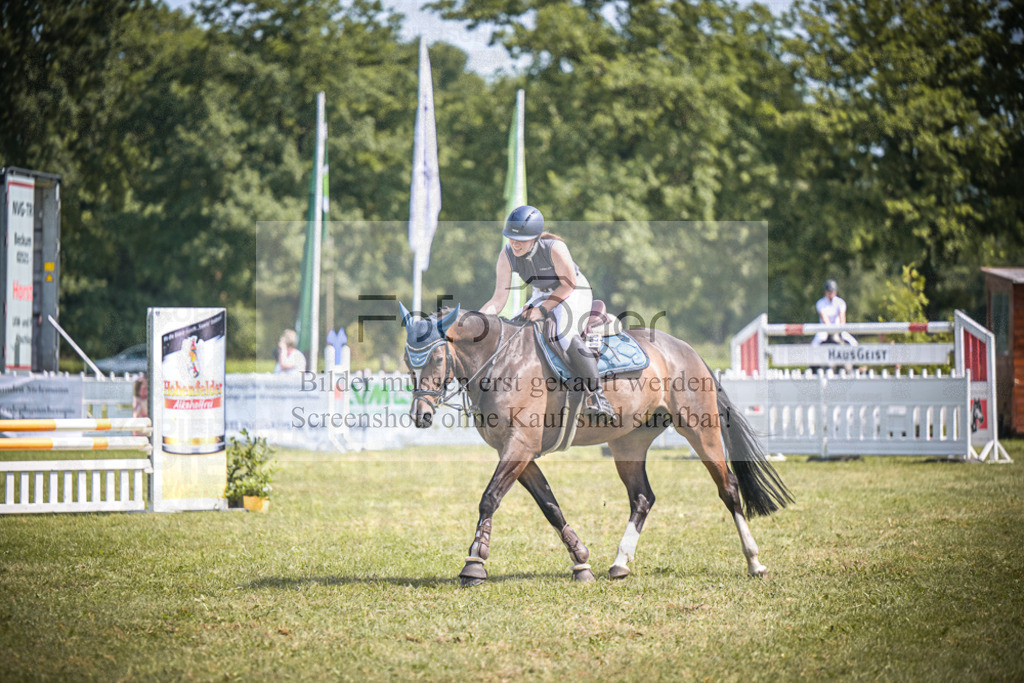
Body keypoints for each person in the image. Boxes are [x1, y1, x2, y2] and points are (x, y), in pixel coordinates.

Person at [480, 205, 617, 422]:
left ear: (535, 238)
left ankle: (598, 396)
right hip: (541, 293)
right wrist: (478, 322)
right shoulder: (507, 254)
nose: (515, 244)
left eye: (522, 239)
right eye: (511, 238)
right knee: (516, 329)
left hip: (573, 290)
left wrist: (542, 310)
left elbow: (568, 284)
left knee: (564, 333)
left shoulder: (554, 248)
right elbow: (498, 299)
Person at [812, 279, 858, 346]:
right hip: (825, 329)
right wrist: (832, 332)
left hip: (839, 328)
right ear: (825, 291)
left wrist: (838, 330)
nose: (830, 293)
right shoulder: (820, 303)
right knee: (815, 342)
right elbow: (825, 319)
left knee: (853, 342)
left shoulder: (840, 302)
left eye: (832, 291)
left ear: (835, 291)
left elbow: (842, 318)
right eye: (829, 291)